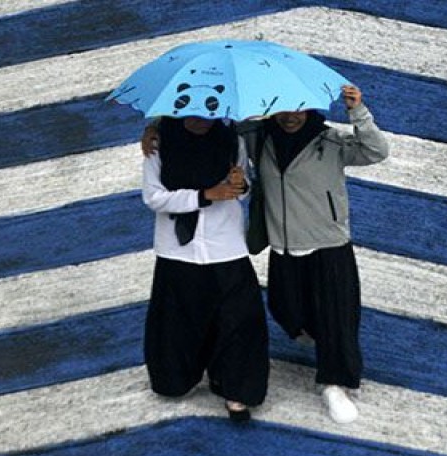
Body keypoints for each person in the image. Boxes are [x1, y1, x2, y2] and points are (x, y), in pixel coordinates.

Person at [143, 84, 389, 424]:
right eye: (283, 109)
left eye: (299, 108)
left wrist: (357, 111)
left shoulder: (327, 142)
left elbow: (375, 151)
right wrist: (155, 127)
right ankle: (309, 334)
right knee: (284, 309)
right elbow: (198, 128)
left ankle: (334, 383)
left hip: (324, 243)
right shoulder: (257, 139)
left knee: (335, 320)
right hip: (279, 246)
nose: (291, 117)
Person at [141, 115, 269, 421]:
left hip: (225, 244)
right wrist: (204, 196)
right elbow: (153, 197)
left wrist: (241, 185)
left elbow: (244, 187)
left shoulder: (230, 139)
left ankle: (237, 390)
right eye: (194, 112)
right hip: (178, 250)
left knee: (240, 320)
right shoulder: (159, 144)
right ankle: (177, 379)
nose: (202, 120)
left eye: (209, 112)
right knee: (178, 322)